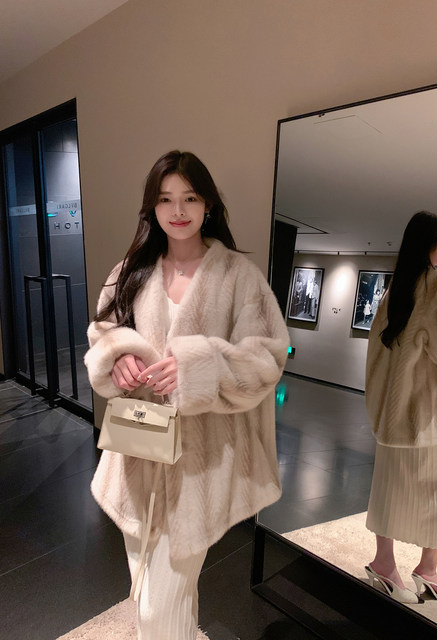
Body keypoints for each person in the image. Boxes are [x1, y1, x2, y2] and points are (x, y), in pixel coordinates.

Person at [84, 150, 290, 639]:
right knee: (145, 586)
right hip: (136, 455)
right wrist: (119, 355)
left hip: (200, 466)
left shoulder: (238, 276)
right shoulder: (130, 269)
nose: (177, 210)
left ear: (208, 204)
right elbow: (102, 331)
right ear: (151, 207)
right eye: (165, 199)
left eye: (190, 198)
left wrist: (200, 368)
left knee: (158, 607)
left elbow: (268, 356)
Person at [364, 211, 437, 604]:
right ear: (429, 244)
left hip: (394, 416)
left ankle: (384, 562)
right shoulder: (435, 283)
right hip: (428, 416)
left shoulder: (394, 288)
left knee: (389, 488)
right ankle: (427, 569)